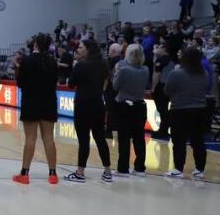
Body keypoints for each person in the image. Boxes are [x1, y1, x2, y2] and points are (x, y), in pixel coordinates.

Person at [13, 33, 59, 185]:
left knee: (30, 139)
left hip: (31, 102)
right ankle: (53, 174)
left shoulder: (27, 60)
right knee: (49, 139)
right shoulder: (52, 61)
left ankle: (24, 174)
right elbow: (54, 82)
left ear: (36, 45)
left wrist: (17, 69)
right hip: (49, 102)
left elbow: (20, 83)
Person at [64, 40, 112, 183]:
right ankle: (108, 172)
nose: (78, 49)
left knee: (84, 140)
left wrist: (74, 68)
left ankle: (80, 173)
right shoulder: (103, 65)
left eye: (80, 47)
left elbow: (71, 84)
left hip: (83, 106)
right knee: (100, 139)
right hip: (98, 104)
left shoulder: (80, 65)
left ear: (88, 50)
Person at [166, 45, 210, 180]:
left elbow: (167, 90)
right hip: (200, 111)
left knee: (179, 141)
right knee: (198, 141)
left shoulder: (176, 73)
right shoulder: (204, 74)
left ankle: (178, 169)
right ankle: (199, 170)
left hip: (179, 110)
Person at [112, 44, 149, 177]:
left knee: (124, 138)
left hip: (125, 107)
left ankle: (123, 169)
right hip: (140, 106)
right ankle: (140, 168)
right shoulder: (146, 69)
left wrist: (116, 72)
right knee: (139, 138)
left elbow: (115, 86)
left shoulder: (124, 70)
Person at [151, 41, 178, 141]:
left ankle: (163, 130)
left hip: (161, 85)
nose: (157, 49)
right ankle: (164, 129)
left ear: (164, 49)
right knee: (164, 109)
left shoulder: (161, 60)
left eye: (159, 47)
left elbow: (157, 74)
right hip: (170, 85)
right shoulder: (172, 59)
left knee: (162, 109)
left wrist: (153, 87)